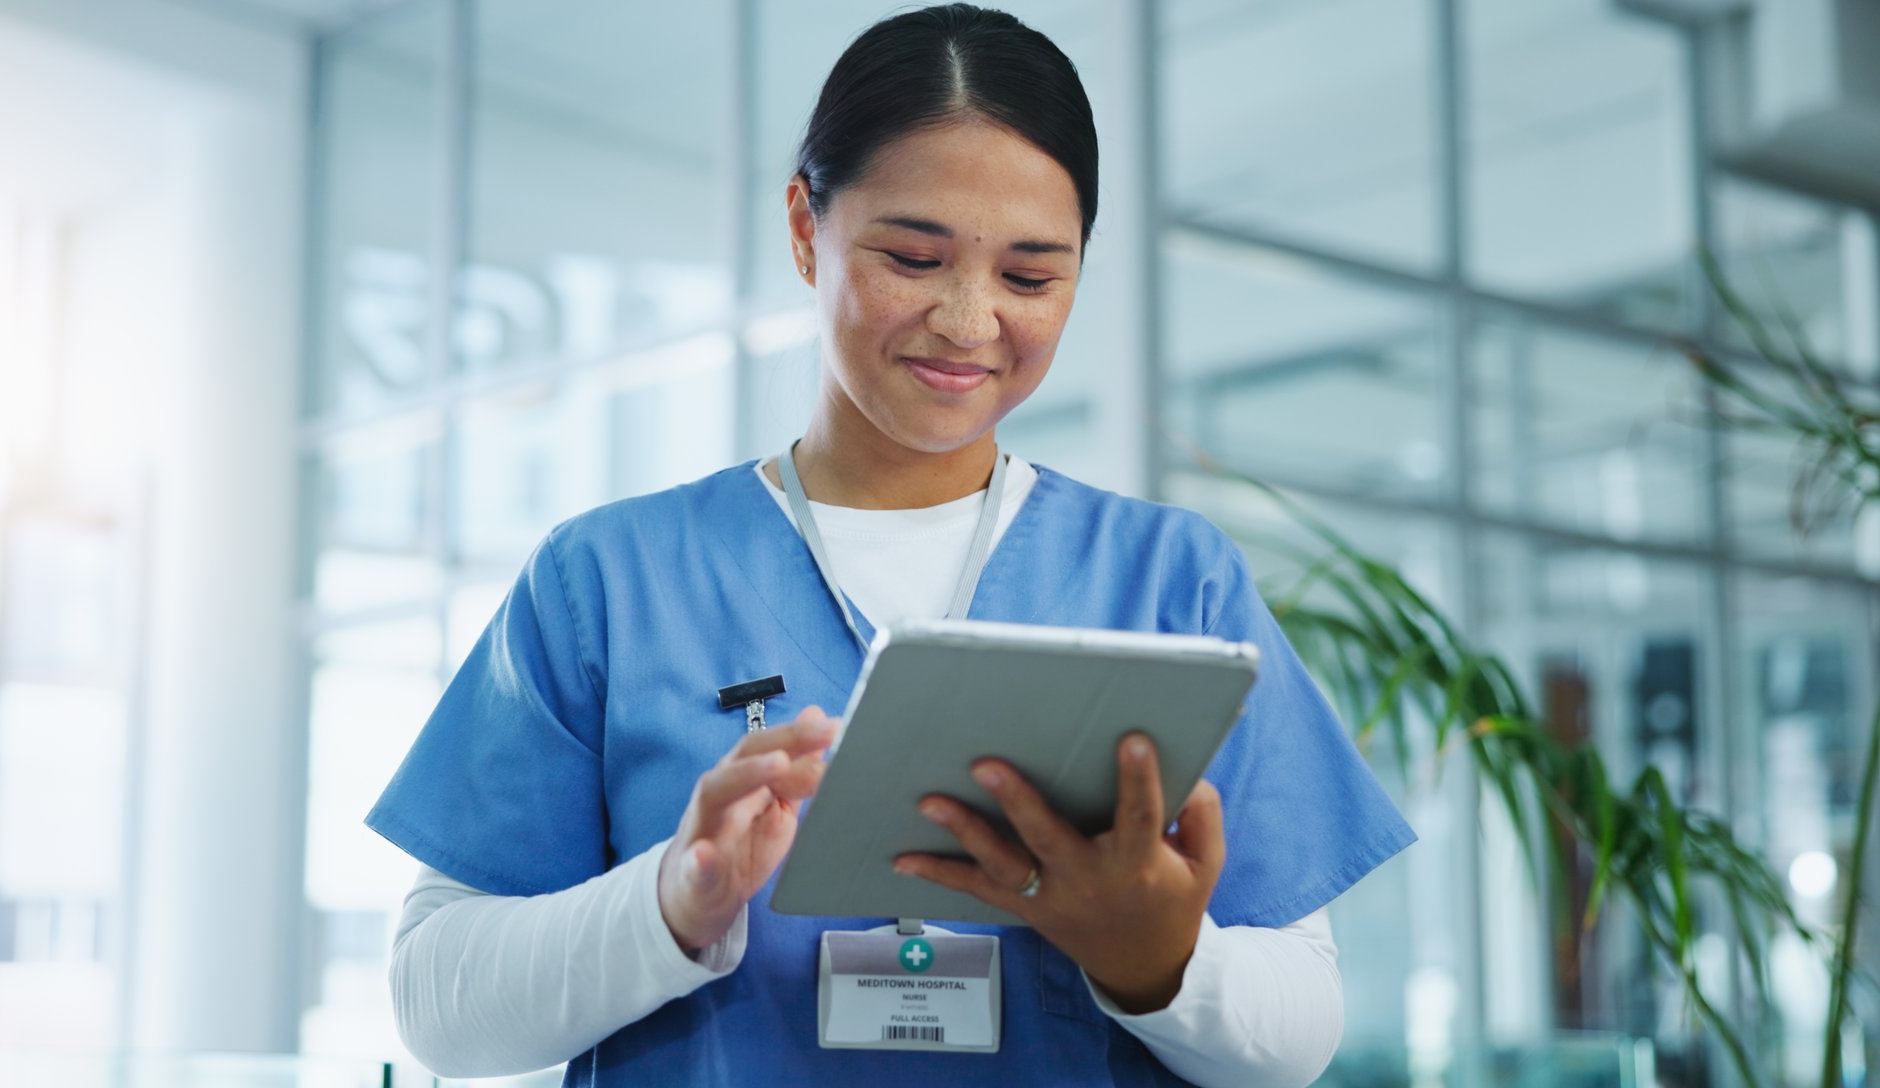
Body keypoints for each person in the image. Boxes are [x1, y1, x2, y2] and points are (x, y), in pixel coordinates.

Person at [366, 5, 1415, 1085]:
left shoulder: (1168, 579)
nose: (966, 320)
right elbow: (438, 1005)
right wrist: (669, 902)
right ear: (802, 227)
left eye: (1027, 277)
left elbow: (1299, 1028)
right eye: (912, 256)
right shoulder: (607, 580)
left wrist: (1155, 958)